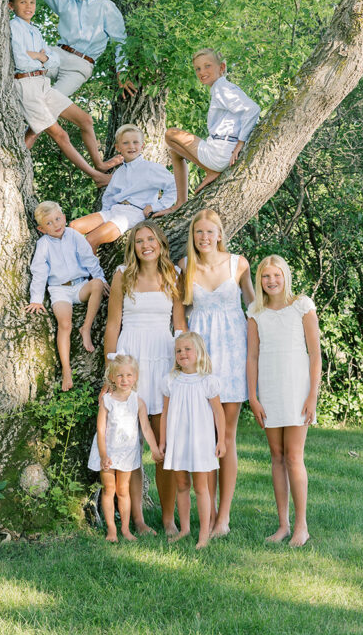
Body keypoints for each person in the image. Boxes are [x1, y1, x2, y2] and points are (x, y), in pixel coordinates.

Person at [103, 221, 186, 536]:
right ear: (133, 246)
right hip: (131, 360)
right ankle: (136, 519)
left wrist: (181, 366)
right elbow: (113, 325)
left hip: (162, 358)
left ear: (161, 243)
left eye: (151, 239)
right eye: (139, 240)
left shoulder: (172, 276)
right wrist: (111, 369)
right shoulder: (123, 274)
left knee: (162, 442)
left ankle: (167, 520)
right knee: (130, 443)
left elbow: (178, 323)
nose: (145, 245)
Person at [179, 209, 253, 537]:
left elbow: (254, 307)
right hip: (201, 357)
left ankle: (223, 518)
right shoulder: (185, 267)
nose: (204, 238)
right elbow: (179, 313)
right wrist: (183, 352)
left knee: (226, 437)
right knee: (205, 437)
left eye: (210, 232)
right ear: (193, 236)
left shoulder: (239, 264)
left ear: (220, 234)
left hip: (233, 354)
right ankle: (206, 517)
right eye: (199, 233)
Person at [9, 0, 120, 185]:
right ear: (11, 6)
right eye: (23, 2)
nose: (28, 6)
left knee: (85, 120)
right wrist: (41, 57)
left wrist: (40, 57)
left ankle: (100, 164)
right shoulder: (13, 28)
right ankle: (96, 177)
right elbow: (20, 61)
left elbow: (54, 60)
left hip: (43, 83)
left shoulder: (35, 30)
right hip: (27, 87)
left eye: (32, 2)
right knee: (60, 135)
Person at [246, 255, 322, 547]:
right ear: (260, 281)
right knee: (276, 457)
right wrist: (253, 396)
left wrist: (312, 395)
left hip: (296, 389)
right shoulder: (255, 311)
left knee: (293, 456)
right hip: (269, 389)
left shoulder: (302, 305)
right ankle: (283, 525)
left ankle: (302, 526)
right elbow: (252, 356)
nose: (271, 281)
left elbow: (315, 354)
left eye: (276, 275)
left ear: (285, 276)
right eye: (266, 277)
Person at [160, 48, 260, 211]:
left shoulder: (223, 88)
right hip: (221, 150)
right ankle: (181, 202)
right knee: (175, 152)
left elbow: (252, 109)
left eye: (207, 66)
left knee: (171, 134)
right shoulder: (222, 88)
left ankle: (210, 171)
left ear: (222, 67)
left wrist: (241, 143)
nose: (202, 72)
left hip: (221, 153)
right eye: (198, 69)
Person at [26, 200, 109, 392]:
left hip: (80, 285)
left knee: (96, 285)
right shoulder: (44, 244)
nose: (56, 225)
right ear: (41, 229)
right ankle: (66, 370)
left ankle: (86, 328)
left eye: (57, 219)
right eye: (49, 223)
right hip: (59, 289)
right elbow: (39, 272)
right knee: (64, 324)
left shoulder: (74, 236)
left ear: (64, 217)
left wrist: (101, 278)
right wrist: (36, 299)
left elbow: (89, 259)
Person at [159, 333, 226, 549]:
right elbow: (164, 413)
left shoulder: (207, 381)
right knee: (181, 485)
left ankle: (205, 533)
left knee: (200, 487)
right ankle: (185, 528)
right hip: (178, 442)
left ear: (199, 353)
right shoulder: (170, 381)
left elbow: (218, 412)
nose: (182, 354)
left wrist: (221, 440)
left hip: (200, 442)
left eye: (187, 349)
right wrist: (163, 441)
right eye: (178, 350)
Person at [88, 354, 163, 543]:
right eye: (120, 375)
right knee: (109, 490)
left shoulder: (138, 402)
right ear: (111, 377)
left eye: (129, 375)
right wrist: (103, 454)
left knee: (123, 491)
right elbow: (101, 429)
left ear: (135, 377)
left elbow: (145, 428)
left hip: (127, 453)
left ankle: (125, 529)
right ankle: (111, 530)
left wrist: (154, 449)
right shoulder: (106, 401)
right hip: (108, 451)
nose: (124, 380)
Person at [70, 124, 177, 250]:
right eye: (125, 143)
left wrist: (156, 206)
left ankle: (89, 270)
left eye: (135, 142)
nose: (131, 146)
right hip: (113, 211)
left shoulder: (151, 168)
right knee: (72, 228)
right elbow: (109, 196)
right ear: (118, 147)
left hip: (133, 214)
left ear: (142, 146)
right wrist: (103, 218)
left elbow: (175, 186)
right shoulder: (119, 172)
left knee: (91, 239)